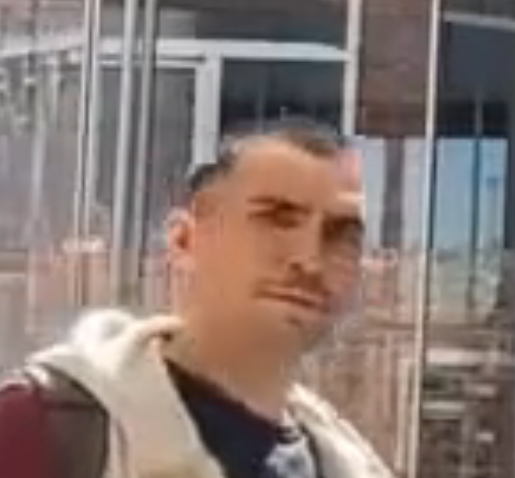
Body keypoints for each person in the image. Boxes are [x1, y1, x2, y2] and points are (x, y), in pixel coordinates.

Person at [0, 118, 394, 478]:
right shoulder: (41, 431)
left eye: (341, 235)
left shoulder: (350, 464)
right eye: (276, 219)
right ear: (184, 240)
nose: (309, 260)